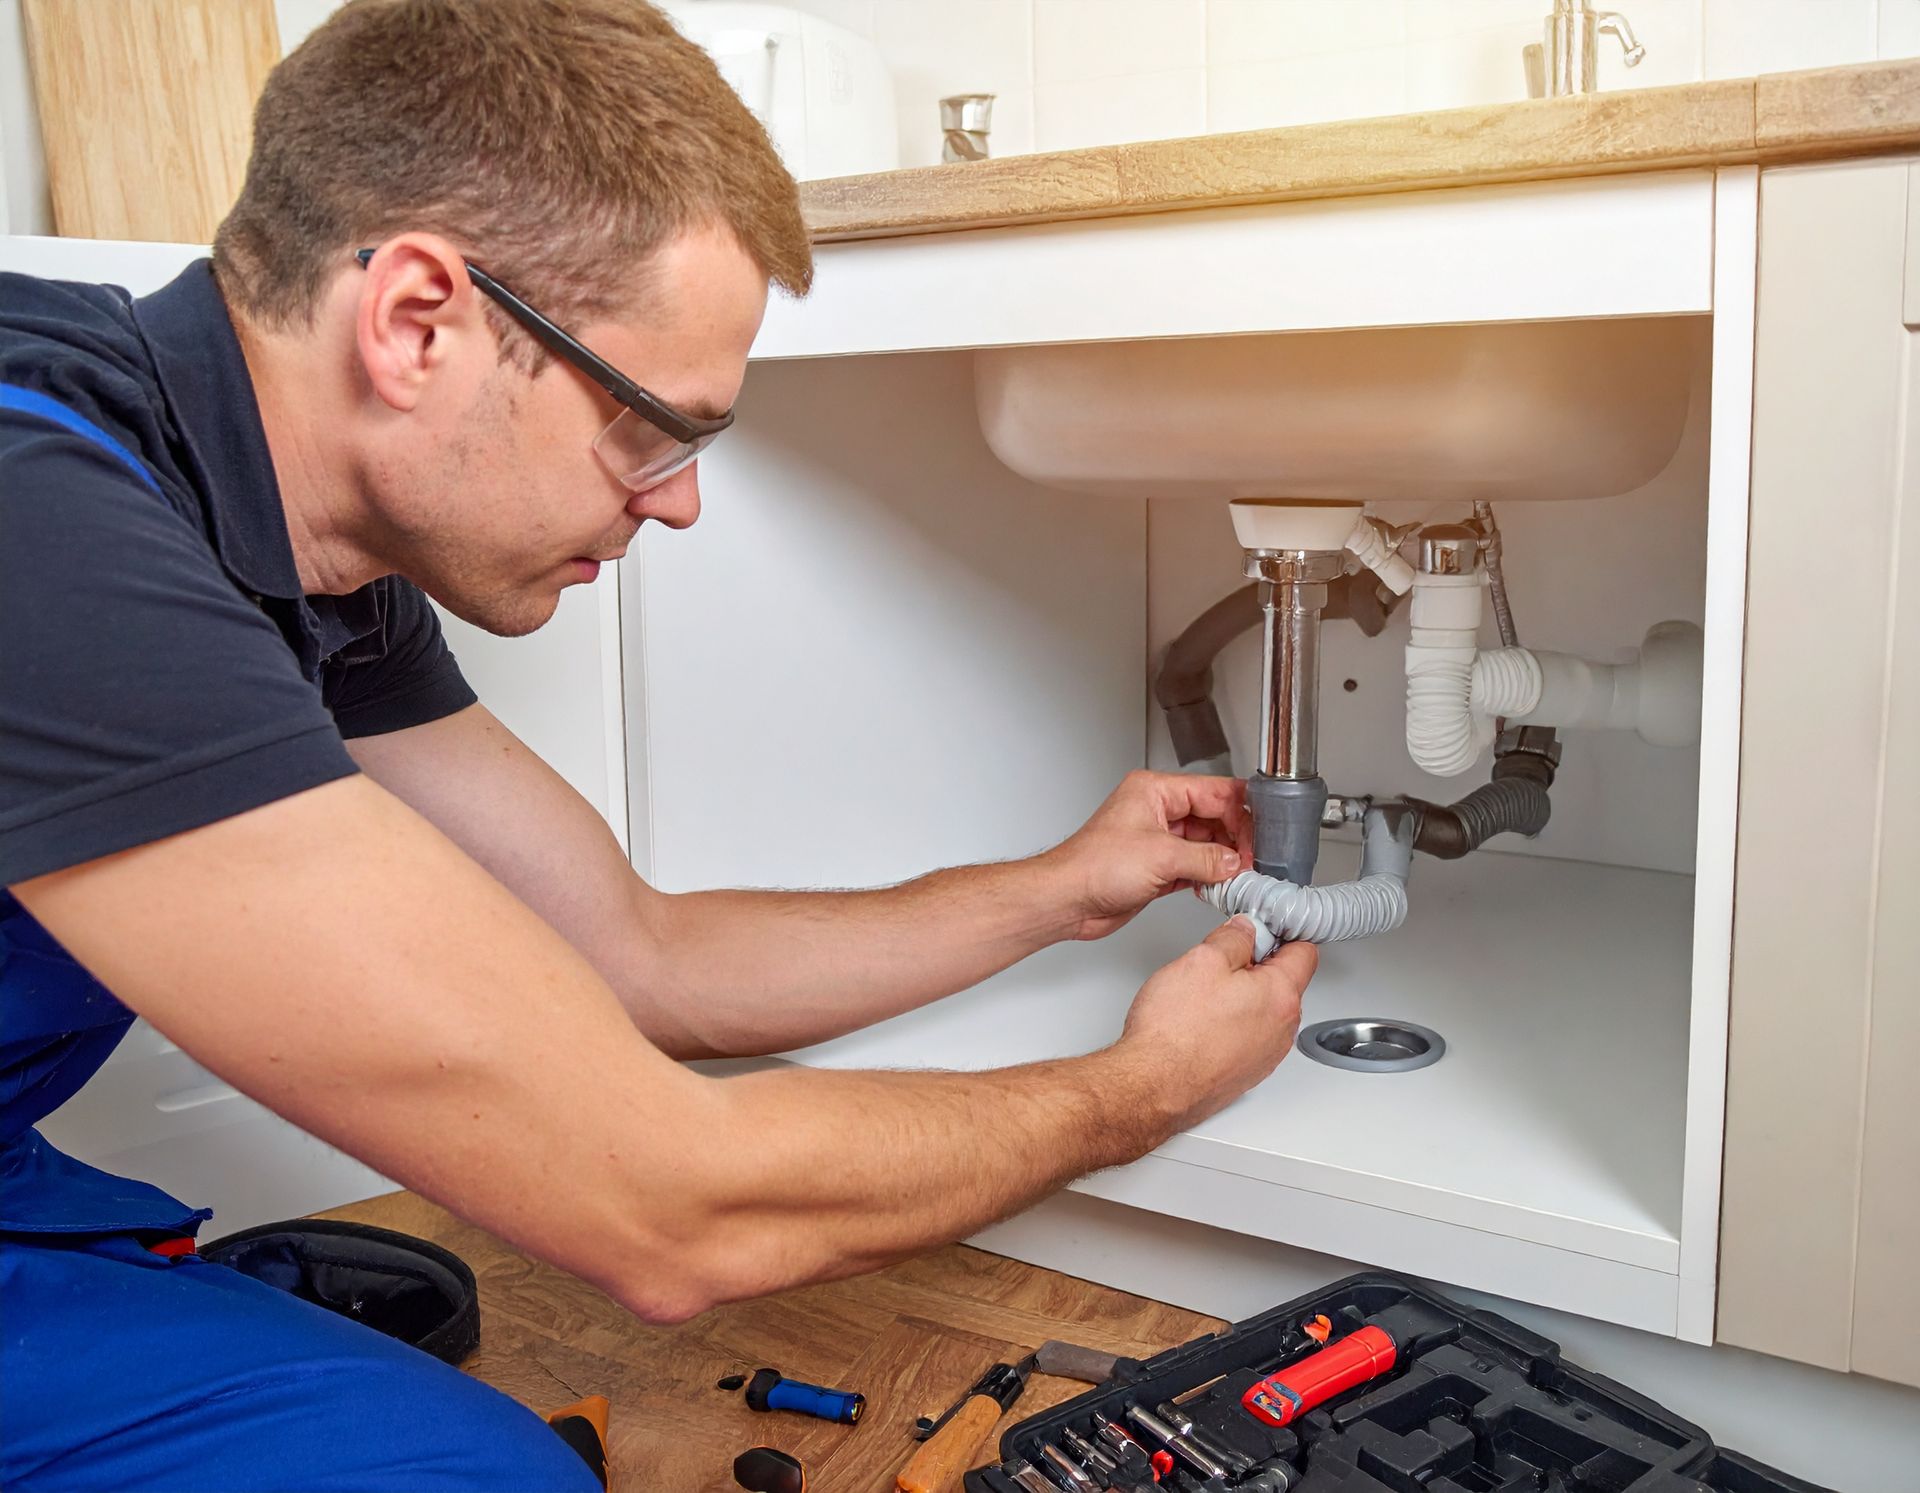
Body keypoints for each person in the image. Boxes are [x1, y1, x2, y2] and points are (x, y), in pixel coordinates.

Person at [0, 1, 1317, 1486]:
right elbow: (667, 1200)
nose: (678, 502)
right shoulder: (43, 519)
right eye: (654, 429)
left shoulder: (321, 553)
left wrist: (1067, 887)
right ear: (418, 320)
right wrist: (1133, 1095)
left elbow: (642, 958)